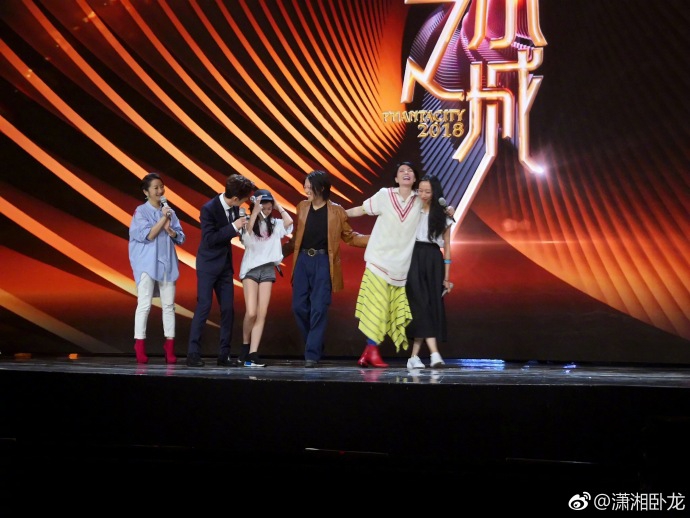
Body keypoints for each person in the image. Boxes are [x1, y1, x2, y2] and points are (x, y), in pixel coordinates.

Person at [282, 170, 368, 368]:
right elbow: (296, 239)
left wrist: (375, 239)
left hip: (323, 262)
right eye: (305, 186)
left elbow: (350, 237)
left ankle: (311, 354)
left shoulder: (336, 211)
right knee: (299, 307)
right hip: (302, 260)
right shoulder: (302, 207)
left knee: (319, 308)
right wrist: (277, 255)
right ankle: (314, 344)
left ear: (321, 188)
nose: (306, 190)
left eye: (309, 186)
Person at [345, 161, 421, 368]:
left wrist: (448, 209)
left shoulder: (420, 201)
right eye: (401, 171)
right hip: (378, 260)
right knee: (376, 307)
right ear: (396, 178)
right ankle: (372, 352)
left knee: (387, 310)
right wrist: (339, 213)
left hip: (400, 267)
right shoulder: (385, 195)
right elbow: (362, 209)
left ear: (415, 178)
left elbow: (437, 213)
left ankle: (369, 352)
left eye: (410, 171)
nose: (406, 173)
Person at [185, 174, 256, 367]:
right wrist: (234, 226)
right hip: (208, 265)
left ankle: (224, 355)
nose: (244, 203)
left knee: (227, 309)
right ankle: (193, 354)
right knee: (204, 306)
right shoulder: (209, 209)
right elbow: (209, 239)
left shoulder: (236, 209)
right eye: (243, 200)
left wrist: (242, 227)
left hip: (224, 266)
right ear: (235, 198)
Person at [128, 172, 186, 364]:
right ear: (146, 192)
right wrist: (163, 219)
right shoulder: (141, 212)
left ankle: (169, 346)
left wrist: (171, 231)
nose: (160, 190)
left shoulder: (170, 211)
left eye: (161, 187)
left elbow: (181, 237)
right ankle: (139, 345)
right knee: (144, 304)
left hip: (167, 262)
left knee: (169, 305)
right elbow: (149, 235)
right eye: (156, 188)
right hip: (146, 263)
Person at [238, 189, 293, 367]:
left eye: (270, 208)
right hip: (251, 269)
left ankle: (253, 353)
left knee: (262, 313)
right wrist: (255, 211)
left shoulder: (275, 224)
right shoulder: (248, 221)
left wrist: (278, 206)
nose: (268, 211)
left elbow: (289, 222)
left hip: (268, 270)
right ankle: (245, 345)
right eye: (265, 208)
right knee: (251, 312)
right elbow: (245, 237)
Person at [405, 174, 454, 369]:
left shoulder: (443, 215)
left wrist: (447, 276)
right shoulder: (411, 209)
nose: (423, 194)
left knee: (430, 305)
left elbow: (447, 246)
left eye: (427, 191)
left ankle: (414, 357)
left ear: (435, 193)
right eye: (420, 190)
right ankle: (434, 354)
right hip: (413, 257)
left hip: (434, 260)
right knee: (421, 304)